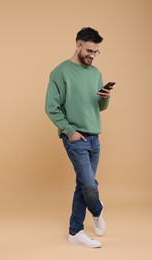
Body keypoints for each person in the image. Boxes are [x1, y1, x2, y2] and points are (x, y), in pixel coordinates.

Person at [45, 27, 113, 248]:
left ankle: (75, 232)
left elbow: (98, 107)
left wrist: (105, 98)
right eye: (89, 51)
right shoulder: (60, 72)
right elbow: (51, 107)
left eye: (96, 52)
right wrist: (69, 131)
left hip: (95, 138)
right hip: (76, 139)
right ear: (78, 45)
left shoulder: (96, 74)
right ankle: (97, 209)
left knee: (82, 185)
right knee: (89, 186)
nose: (92, 56)